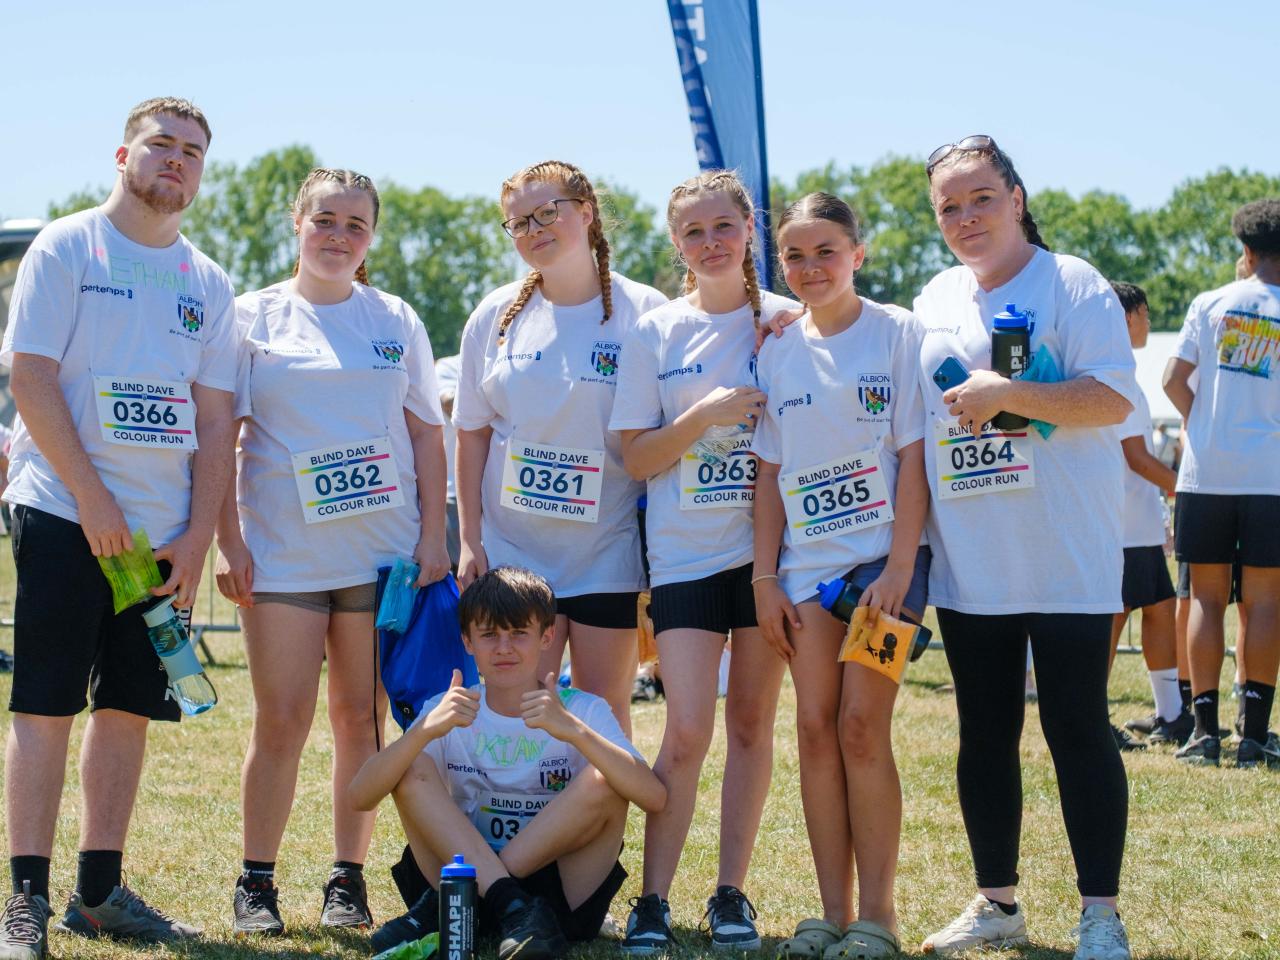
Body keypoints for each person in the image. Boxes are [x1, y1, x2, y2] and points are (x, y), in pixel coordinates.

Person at [0, 97, 235, 958]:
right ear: (123, 155)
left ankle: (97, 892)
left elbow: (216, 422)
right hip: (65, 514)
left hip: (159, 539)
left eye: (193, 152)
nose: (176, 160)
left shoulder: (207, 281)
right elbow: (31, 381)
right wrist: (94, 502)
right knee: (46, 705)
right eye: (161, 145)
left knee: (130, 707)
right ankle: (24, 901)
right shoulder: (68, 246)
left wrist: (197, 534)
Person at [913, 136, 1138, 960]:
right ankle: (996, 901)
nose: (966, 217)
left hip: (1067, 556)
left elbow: (1113, 397)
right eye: (949, 206)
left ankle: (1101, 916)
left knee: (1078, 727)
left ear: (1015, 195)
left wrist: (1010, 392)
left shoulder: (1071, 282)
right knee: (985, 734)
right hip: (975, 560)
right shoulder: (934, 296)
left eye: (980, 198)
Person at [214, 168, 449, 934]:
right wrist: (229, 540)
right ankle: (257, 883)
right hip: (281, 557)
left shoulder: (395, 317)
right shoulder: (249, 318)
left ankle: (347, 878)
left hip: (379, 559)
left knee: (363, 719)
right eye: (325, 219)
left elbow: (424, 430)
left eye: (355, 224)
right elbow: (220, 438)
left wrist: (433, 535)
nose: (339, 236)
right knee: (280, 720)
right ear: (297, 222)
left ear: (371, 236)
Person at [610, 170, 797, 954]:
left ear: (749, 229)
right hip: (684, 560)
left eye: (724, 227)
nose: (711, 242)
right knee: (685, 730)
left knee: (751, 724)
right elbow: (636, 458)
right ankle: (652, 898)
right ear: (675, 244)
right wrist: (705, 416)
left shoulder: (788, 323)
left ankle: (731, 894)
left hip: (768, 560)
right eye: (694, 232)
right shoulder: (655, 332)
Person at [751, 193, 929, 960]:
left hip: (885, 570)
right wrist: (764, 578)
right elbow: (768, 474)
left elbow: (917, 457)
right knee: (815, 731)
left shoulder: (897, 333)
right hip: (803, 575)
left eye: (827, 250)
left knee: (862, 727)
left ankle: (879, 918)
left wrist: (897, 565)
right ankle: (832, 912)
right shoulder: (776, 347)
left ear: (859, 253)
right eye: (795, 255)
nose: (811, 266)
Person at [350, 566, 666, 960]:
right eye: (489, 635)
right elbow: (359, 797)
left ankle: (495, 898)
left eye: (519, 633)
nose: (504, 648)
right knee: (410, 767)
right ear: (467, 641)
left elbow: (654, 797)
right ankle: (508, 902)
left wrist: (574, 732)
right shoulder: (448, 707)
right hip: (457, 882)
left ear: (547, 637)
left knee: (605, 777)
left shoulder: (581, 709)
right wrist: (421, 733)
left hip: (546, 895)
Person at [453, 161, 667, 735]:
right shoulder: (493, 316)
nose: (535, 229)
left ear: (587, 213)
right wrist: (470, 539)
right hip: (514, 555)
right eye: (519, 222)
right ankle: (517, 826)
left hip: (606, 555)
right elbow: (470, 431)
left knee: (602, 717)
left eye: (549, 212)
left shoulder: (644, 311)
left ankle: (601, 830)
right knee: (518, 714)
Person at [1162, 197, 1280, 768]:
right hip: (1272, 477)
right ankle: (1255, 735)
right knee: (1265, 603)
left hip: (1206, 474)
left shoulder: (1210, 303)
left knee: (1205, 598)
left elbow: (1172, 378)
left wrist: (1200, 423)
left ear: (1246, 250)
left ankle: (1203, 733)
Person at [1105, 282, 1184, 749]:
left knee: (1159, 609)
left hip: (1137, 523)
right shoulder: (1116, 374)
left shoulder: (1126, 373)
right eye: (1145, 313)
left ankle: (1171, 715)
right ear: (1126, 316)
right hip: (1121, 524)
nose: (1150, 323)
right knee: (1116, 617)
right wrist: (1184, 486)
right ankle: (1093, 716)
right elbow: (1135, 456)